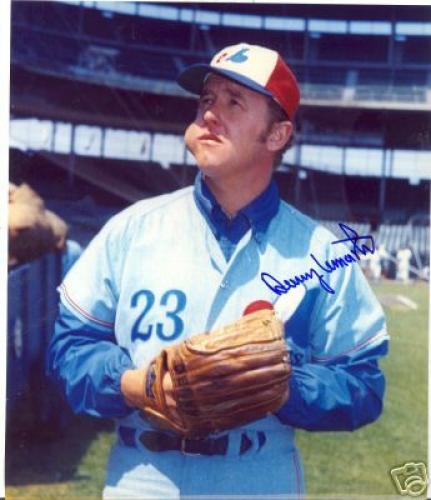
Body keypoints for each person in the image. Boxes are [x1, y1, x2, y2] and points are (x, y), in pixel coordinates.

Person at [47, 43, 389, 498]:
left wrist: (281, 388)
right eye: (206, 99)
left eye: (233, 102)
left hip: (257, 476)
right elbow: (69, 350)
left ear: (277, 134)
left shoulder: (321, 252)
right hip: (143, 474)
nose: (210, 113)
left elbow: (363, 385)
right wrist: (135, 385)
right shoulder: (132, 228)